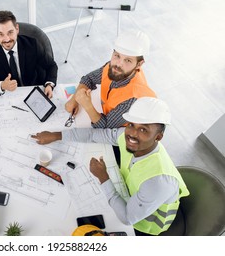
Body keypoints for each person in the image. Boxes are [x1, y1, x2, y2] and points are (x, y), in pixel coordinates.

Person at [35, 97, 190, 235]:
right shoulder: (128, 136)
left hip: (145, 225)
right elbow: (93, 135)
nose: (132, 134)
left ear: (158, 137)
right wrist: (56, 135)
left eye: (143, 129)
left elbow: (127, 218)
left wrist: (103, 177)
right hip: (131, 195)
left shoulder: (159, 182)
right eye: (131, 124)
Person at [65, 31, 156, 128]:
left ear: (139, 64)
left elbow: (106, 127)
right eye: (117, 55)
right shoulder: (112, 66)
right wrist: (74, 100)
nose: (118, 64)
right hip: (103, 110)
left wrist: (87, 105)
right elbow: (89, 78)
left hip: (121, 130)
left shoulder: (133, 99)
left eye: (128, 60)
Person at [0, 10, 58, 98]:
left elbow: (51, 65)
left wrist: (49, 85)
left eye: (10, 32)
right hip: (8, 96)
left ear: (17, 29)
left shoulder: (32, 45)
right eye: (0, 34)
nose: (6, 39)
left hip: (34, 92)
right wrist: (2, 85)